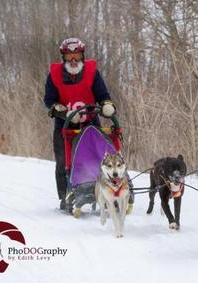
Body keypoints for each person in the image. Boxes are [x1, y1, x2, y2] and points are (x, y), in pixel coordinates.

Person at [43, 37, 133, 212]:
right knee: (63, 162)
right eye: (69, 56)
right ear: (64, 57)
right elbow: (49, 100)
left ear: (82, 55)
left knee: (97, 158)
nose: (74, 60)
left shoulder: (92, 72)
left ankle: (101, 191)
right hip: (65, 125)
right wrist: (62, 111)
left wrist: (107, 104)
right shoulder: (54, 75)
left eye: (76, 55)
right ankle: (65, 196)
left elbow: (102, 94)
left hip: (91, 123)